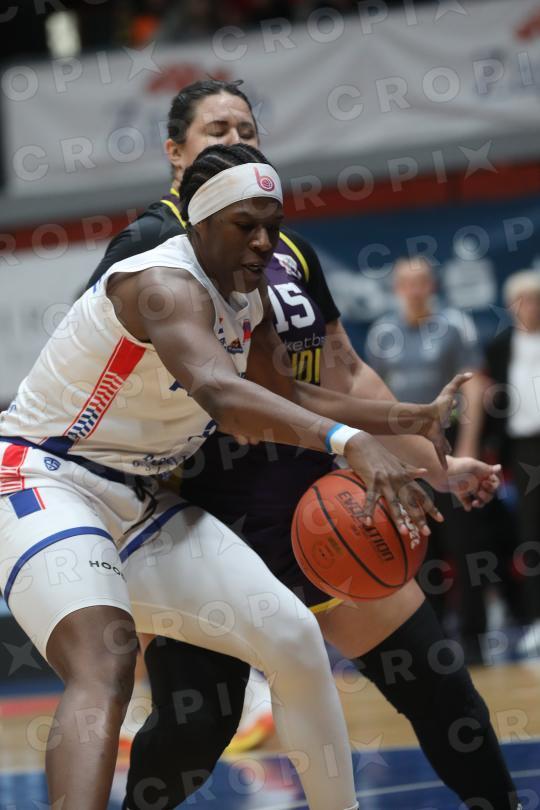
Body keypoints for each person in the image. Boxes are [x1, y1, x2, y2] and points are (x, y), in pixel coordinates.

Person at [86, 81, 519, 810]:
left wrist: (437, 467)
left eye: (246, 129)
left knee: (442, 689)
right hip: (207, 525)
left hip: (322, 510)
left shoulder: (288, 249)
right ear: (176, 152)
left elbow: (345, 371)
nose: (235, 139)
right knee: (195, 731)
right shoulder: (146, 249)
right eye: (216, 129)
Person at [0, 142, 457, 810]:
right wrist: (347, 442)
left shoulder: (251, 296)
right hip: (44, 475)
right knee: (105, 661)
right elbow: (224, 397)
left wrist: (401, 417)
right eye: (247, 225)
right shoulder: (159, 283)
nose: (265, 242)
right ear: (202, 223)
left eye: (273, 226)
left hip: (138, 498)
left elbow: (285, 397)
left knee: (293, 637)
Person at [365, 256, 487, 660]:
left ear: (432, 286)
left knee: (464, 543)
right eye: (407, 283)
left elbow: (473, 387)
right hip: (402, 447)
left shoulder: (454, 325)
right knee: (416, 545)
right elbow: (371, 395)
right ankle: (431, 642)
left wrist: (467, 447)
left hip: (447, 444)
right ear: (397, 289)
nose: (415, 290)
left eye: (421, 282)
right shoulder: (382, 333)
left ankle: (474, 639)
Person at [463, 269, 540, 656]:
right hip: (523, 452)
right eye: (523, 301)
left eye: (536, 300)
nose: (531, 307)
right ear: (511, 306)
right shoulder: (499, 348)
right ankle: (535, 618)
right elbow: (485, 397)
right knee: (530, 534)